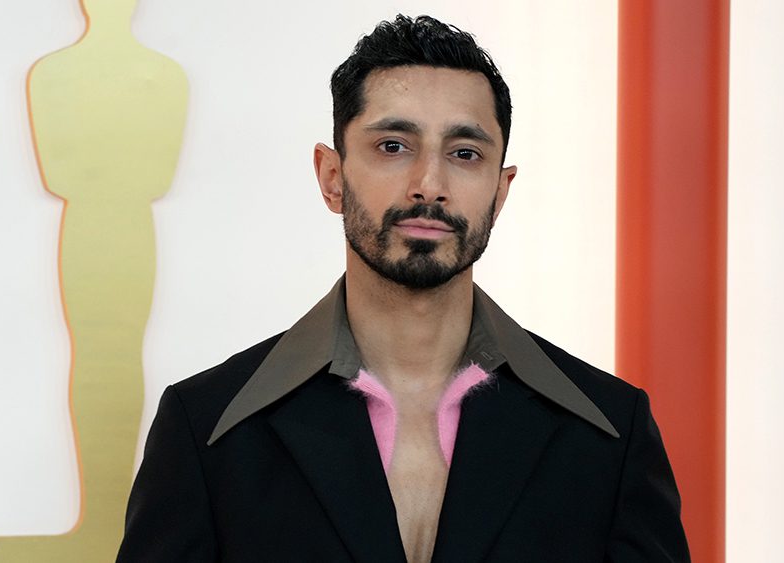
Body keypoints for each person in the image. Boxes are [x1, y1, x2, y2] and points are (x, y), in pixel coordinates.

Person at [117, 14, 689, 563]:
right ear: (331, 177)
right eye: (393, 146)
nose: (429, 185)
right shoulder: (205, 430)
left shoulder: (611, 435)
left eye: (465, 154)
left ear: (501, 190)